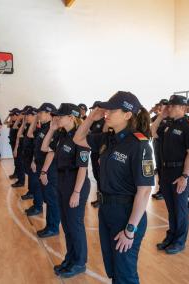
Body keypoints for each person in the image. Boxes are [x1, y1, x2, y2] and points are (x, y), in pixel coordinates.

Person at [74, 91, 154, 283]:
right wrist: (91, 118)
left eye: (112, 110)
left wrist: (130, 230)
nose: (106, 113)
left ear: (127, 115)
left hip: (126, 213)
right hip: (107, 209)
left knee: (125, 273)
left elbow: (144, 191)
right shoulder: (108, 138)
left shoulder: (140, 145)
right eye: (106, 109)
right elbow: (78, 139)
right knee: (114, 270)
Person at [41, 103, 90, 278]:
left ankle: (79, 262)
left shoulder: (81, 136)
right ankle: (70, 258)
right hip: (62, 180)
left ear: (71, 117)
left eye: (60, 116)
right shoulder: (61, 134)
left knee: (75, 224)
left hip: (76, 182)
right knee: (66, 224)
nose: (57, 118)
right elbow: (44, 148)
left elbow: (83, 168)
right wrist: (52, 129)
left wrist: (76, 192)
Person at [151, 94, 189, 254]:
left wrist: (185, 176)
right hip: (166, 171)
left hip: (179, 172)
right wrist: (160, 116)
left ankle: (179, 241)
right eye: (168, 105)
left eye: (172, 106)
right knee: (171, 208)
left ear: (182, 108)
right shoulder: (167, 125)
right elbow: (152, 132)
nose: (168, 108)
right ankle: (171, 237)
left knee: (180, 208)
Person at [30, 102, 61, 238]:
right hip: (41, 166)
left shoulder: (54, 129)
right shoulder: (44, 128)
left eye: (41, 112)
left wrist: (44, 171)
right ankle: (49, 225)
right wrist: (34, 160)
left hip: (50, 169)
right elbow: (36, 144)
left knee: (52, 199)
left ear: (49, 113)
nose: (39, 115)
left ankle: (53, 227)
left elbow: (51, 152)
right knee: (48, 198)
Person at [88, 101, 107, 208]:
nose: (92, 111)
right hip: (94, 152)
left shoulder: (106, 121)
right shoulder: (94, 122)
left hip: (101, 154)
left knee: (101, 177)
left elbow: (104, 136)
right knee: (97, 176)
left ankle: (102, 200)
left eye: (95, 109)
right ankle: (99, 198)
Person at [151, 99, 169, 201]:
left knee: (163, 170)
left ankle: (163, 191)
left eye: (162, 105)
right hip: (157, 144)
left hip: (164, 146)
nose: (159, 107)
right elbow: (150, 127)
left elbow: (154, 133)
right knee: (160, 168)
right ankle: (161, 190)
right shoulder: (158, 117)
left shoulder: (169, 119)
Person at [6, 108, 21, 178]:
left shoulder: (19, 123)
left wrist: (17, 118)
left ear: (16, 115)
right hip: (12, 142)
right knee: (16, 160)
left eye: (12, 115)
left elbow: (18, 136)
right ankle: (16, 173)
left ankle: (18, 174)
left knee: (18, 160)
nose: (11, 116)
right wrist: (9, 117)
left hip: (16, 144)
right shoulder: (13, 122)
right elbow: (6, 124)